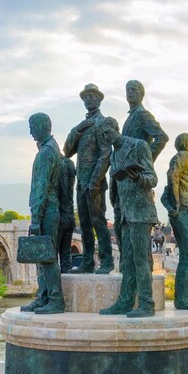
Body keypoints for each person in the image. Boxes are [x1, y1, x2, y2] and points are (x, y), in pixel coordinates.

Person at [99, 121, 158, 318]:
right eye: (102, 135)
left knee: (141, 260)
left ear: (116, 129)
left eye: (108, 132)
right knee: (127, 261)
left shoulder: (138, 145)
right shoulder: (113, 155)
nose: (106, 137)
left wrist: (138, 177)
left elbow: (152, 178)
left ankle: (146, 304)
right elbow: (115, 187)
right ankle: (125, 301)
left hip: (141, 213)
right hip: (124, 214)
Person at [64, 84, 115, 274]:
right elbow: (67, 151)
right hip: (81, 183)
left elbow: (105, 154)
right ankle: (87, 262)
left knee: (98, 222)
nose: (88, 99)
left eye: (92, 96)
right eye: (85, 97)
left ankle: (107, 261)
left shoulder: (103, 123)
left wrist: (95, 181)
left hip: (95, 184)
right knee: (84, 224)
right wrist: (77, 130)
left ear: (99, 99)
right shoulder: (83, 127)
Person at [22, 113, 67, 314]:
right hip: (51, 208)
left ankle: (55, 300)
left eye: (32, 126)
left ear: (43, 126)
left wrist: (35, 218)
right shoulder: (52, 148)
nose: (30, 131)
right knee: (43, 256)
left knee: (47, 257)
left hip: (46, 209)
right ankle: (43, 297)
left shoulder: (46, 152)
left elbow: (41, 186)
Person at [163, 133, 188, 310]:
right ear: (186, 144)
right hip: (185, 211)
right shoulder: (183, 156)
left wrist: (171, 205)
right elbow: (172, 176)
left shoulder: (182, 159)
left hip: (184, 211)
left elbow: (166, 191)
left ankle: (182, 297)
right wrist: (177, 204)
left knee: (187, 256)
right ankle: (183, 298)